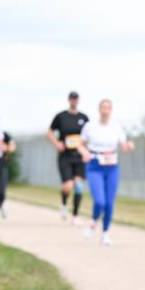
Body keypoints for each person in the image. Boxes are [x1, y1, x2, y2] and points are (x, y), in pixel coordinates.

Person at [78, 99, 133, 246]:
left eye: (108, 107)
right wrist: (84, 152)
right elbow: (80, 144)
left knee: (109, 202)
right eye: (103, 107)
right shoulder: (90, 127)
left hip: (112, 166)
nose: (105, 110)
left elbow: (123, 146)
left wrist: (128, 146)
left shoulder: (116, 127)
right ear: (99, 109)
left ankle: (105, 233)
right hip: (95, 165)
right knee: (100, 201)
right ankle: (93, 221)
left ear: (111, 110)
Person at [48, 91, 90, 225]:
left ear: (78, 100)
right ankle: (64, 203)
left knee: (78, 186)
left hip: (79, 156)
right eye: (72, 98)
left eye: (76, 98)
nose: (74, 101)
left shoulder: (84, 117)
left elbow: (89, 135)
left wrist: (86, 151)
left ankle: (75, 215)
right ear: (69, 100)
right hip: (65, 156)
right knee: (68, 186)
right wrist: (56, 143)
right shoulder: (61, 116)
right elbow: (49, 131)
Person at [0, 114, 16, 218]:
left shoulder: (3, 134)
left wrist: (7, 148)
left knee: (1, 188)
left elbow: (12, 146)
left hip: (1, 164)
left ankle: (1, 204)